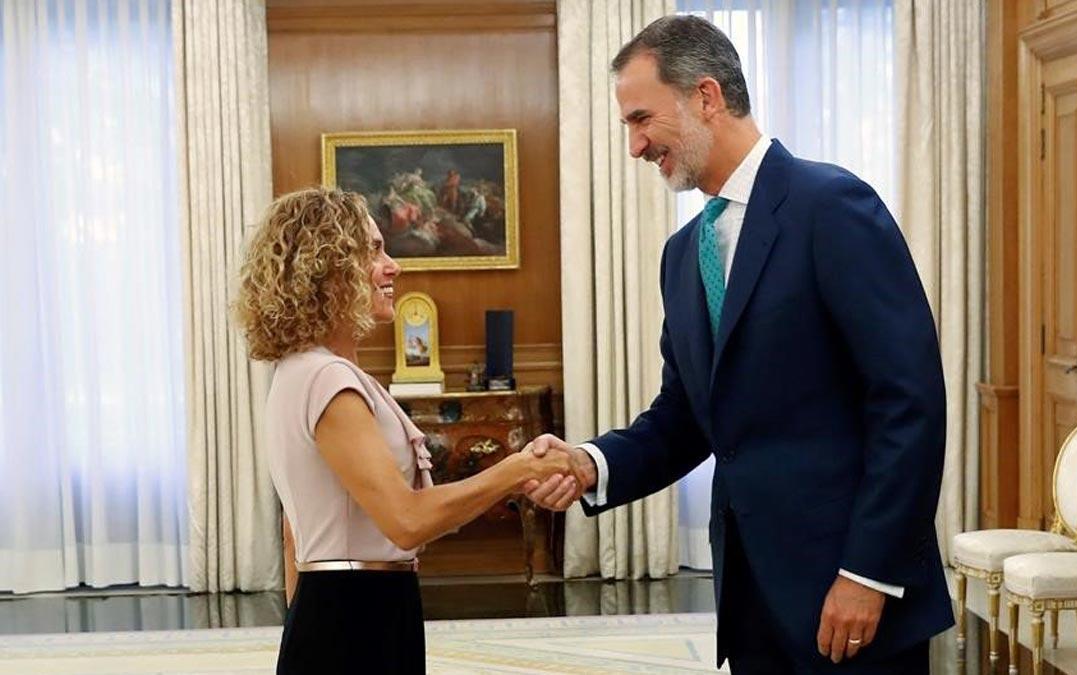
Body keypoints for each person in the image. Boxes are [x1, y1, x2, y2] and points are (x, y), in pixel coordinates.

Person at [524, 15, 953, 674]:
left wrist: (869, 571)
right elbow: (686, 418)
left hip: (854, 596)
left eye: (642, 119)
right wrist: (591, 463)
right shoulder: (681, 255)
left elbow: (909, 402)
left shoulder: (831, 206)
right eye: (627, 128)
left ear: (706, 97)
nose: (635, 146)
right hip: (752, 601)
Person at [233, 187, 572, 674]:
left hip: (342, 610)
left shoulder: (301, 371)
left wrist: (308, 630)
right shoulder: (329, 378)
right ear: (327, 270)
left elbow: (294, 534)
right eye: (373, 251)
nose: (394, 266)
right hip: (357, 617)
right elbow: (406, 521)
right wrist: (519, 468)